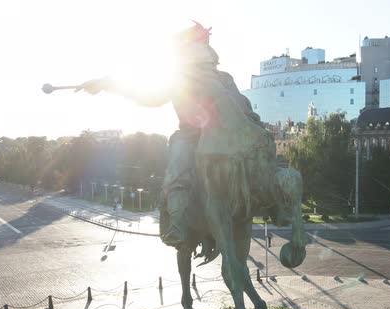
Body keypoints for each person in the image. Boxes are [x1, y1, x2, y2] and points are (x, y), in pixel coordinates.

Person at [78, 22, 261, 248]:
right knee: (176, 175)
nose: (206, 51)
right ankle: (178, 224)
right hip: (189, 137)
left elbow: (239, 102)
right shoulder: (178, 79)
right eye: (200, 45)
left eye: (206, 46)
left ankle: (267, 199)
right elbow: (146, 95)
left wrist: (251, 119)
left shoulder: (224, 78)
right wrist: (107, 84)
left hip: (221, 135)